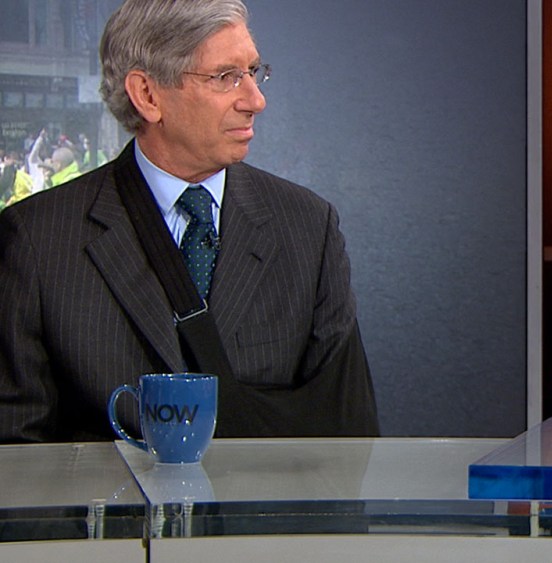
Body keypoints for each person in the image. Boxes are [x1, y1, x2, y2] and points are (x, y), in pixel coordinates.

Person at [0, 0, 379, 442]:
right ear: (147, 95)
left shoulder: (309, 228)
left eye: (253, 72)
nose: (255, 100)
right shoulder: (36, 240)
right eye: (225, 76)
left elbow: (347, 431)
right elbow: (14, 451)